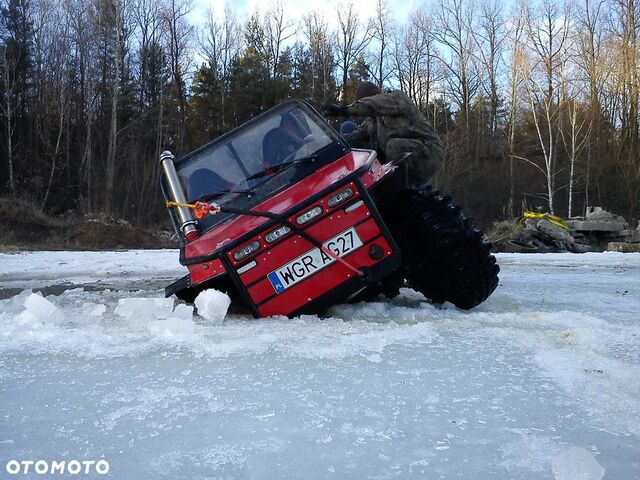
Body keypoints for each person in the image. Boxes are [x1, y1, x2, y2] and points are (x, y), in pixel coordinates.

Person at [321, 81, 444, 188]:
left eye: (364, 102)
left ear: (376, 95)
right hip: (408, 159)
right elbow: (356, 136)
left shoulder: (397, 99)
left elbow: (375, 104)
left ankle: (399, 192)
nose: (364, 107)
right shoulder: (371, 122)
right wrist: (328, 141)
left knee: (394, 146)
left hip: (429, 152)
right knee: (373, 157)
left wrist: (344, 110)